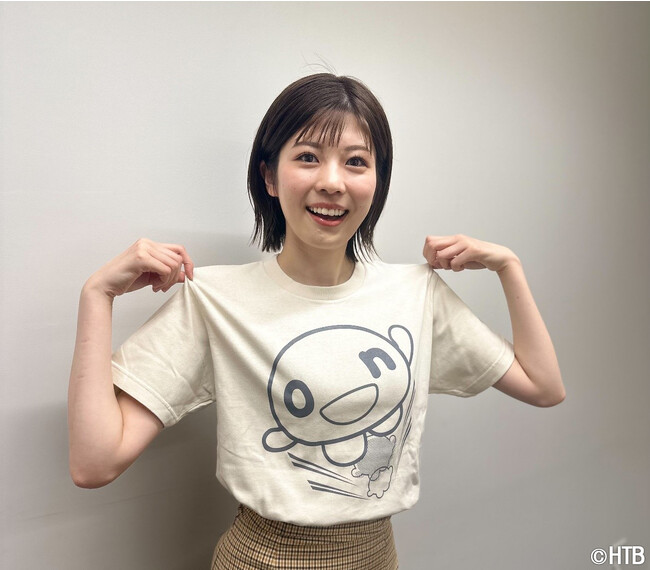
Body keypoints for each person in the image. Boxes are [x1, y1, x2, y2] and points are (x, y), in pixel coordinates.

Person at [68, 73, 565, 569]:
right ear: (269, 176)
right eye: (308, 157)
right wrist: (97, 296)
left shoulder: (415, 294)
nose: (332, 181)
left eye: (356, 161)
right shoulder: (215, 300)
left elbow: (543, 386)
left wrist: (508, 267)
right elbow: (94, 463)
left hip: (378, 558)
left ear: (377, 181)